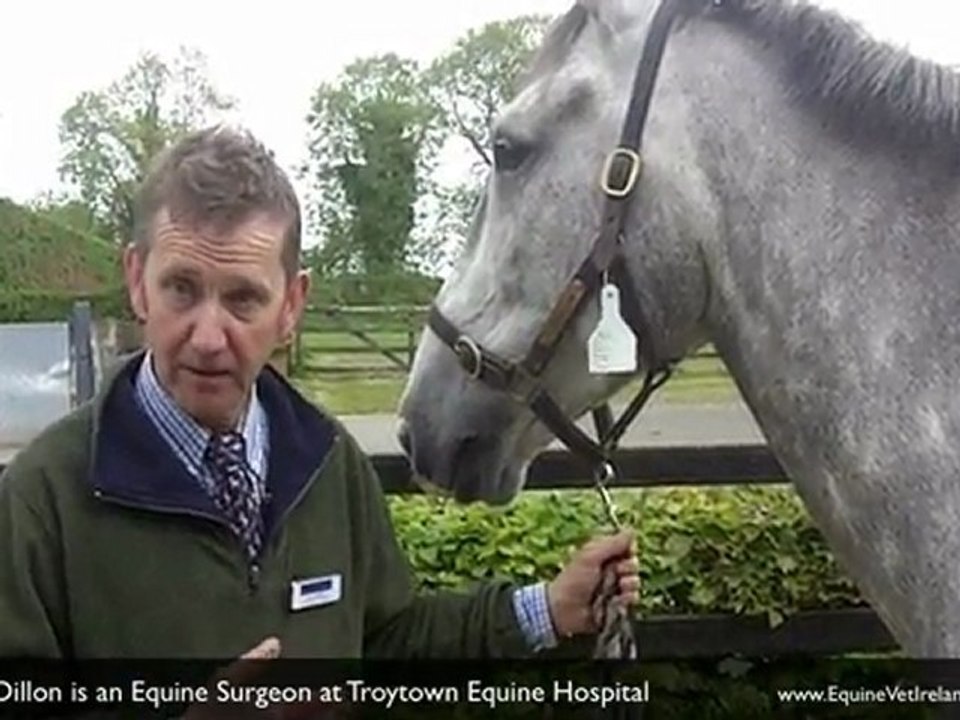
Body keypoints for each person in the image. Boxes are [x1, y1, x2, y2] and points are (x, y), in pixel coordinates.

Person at [0, 125, 639, 660]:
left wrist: (547, 609)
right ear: (138, 281)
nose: (209, 338)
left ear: (292, 305)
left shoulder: (327, 462)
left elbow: (387, 639)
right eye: (182, 290)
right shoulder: (41, 498)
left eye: (243, 299)